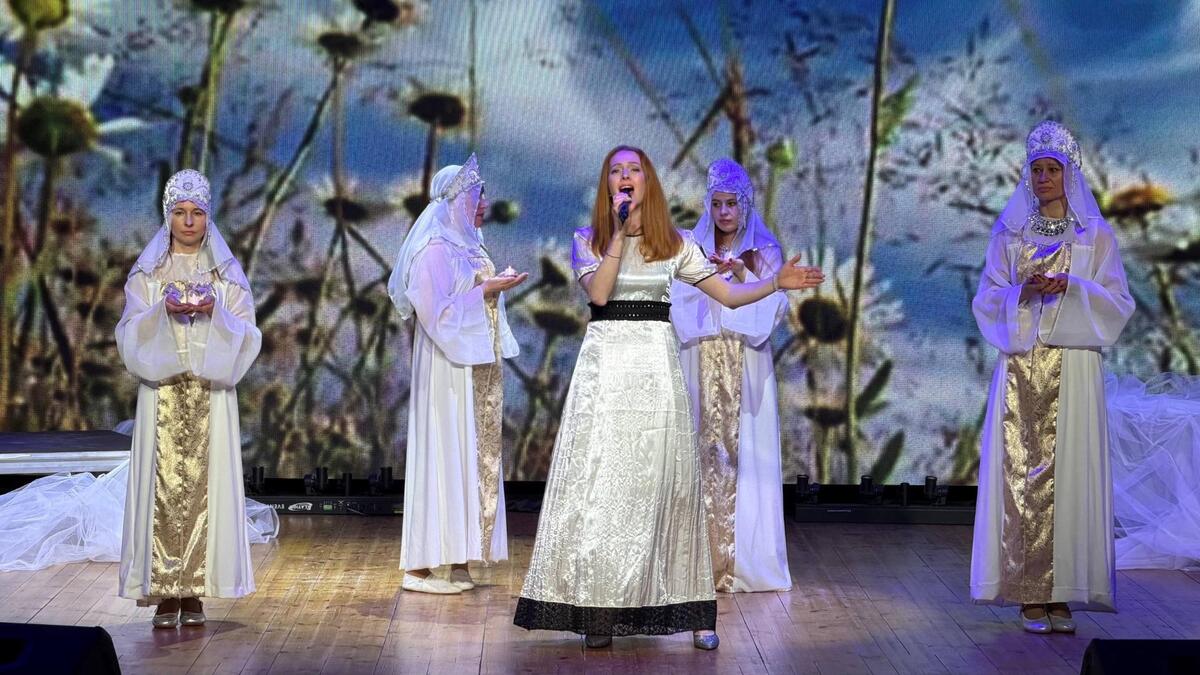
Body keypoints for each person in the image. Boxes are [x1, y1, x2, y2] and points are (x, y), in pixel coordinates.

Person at [514, 146, 823, 650]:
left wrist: (775, 282)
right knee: (603, 485)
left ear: (648, 182)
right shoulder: (587, 240)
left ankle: (690, 609)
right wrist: (619, 235)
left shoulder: (676, 244)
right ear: (607, 184)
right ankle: (600, 609)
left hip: (656, 372)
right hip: (606, 373)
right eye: (616, 170)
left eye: (634, 169)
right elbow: (599, 294)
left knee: (667, 484)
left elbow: (728, 295)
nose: (625, 176)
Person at [970, 120, 1134, 633]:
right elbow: (987, 296)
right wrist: (1023, 292)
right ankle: (1029, 591)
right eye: (1036, 169)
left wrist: (1072, 288)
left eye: (1052, 169)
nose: (1043, 178)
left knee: (1072, 474)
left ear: (1069, 174)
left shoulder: (1094, 236)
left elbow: (1118, 302)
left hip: (1073, 369)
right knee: (1020, 473)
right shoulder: (1010, 234)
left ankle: (1064, 590)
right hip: (1022, 364)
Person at [115, 169, 263, 628]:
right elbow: (128, 332)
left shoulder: (226, 274)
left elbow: (249, 332)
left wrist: (216, 312)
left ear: (208, 216)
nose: (188, 221)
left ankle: (195, 591)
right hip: (162, 391)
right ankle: (164, 591)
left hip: (209, 392)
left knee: (206, 487)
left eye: (197, 212)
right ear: (168, 216)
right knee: (160, 490)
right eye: (179, 212)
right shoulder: (149, 273)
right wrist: (163, 311)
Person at [387, 154, 527, 594]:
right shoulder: (434, 249)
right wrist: (485, 290)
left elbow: (471, 296)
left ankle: (459, 558)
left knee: (468, 455)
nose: (483, 203)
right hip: (445, 369)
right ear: (454, 201)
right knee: (445, 453)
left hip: (472, 366)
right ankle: (421, 568)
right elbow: (435, 312)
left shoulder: (471, 247)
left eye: (482, 195)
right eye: (475, 195)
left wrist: (491, 289)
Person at [670, 158, 791, 593]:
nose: (724, 213)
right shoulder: (691, 247)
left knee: (745, 460)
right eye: (717, 204)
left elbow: (775, 306)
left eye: (731, 204)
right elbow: (676, 301)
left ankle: (744, 561)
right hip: (701, 357)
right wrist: (709, 281)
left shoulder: (765, 250)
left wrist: (743, 275)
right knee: (698, 451)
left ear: (745, 205)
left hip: (746, 361)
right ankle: (696, 560)